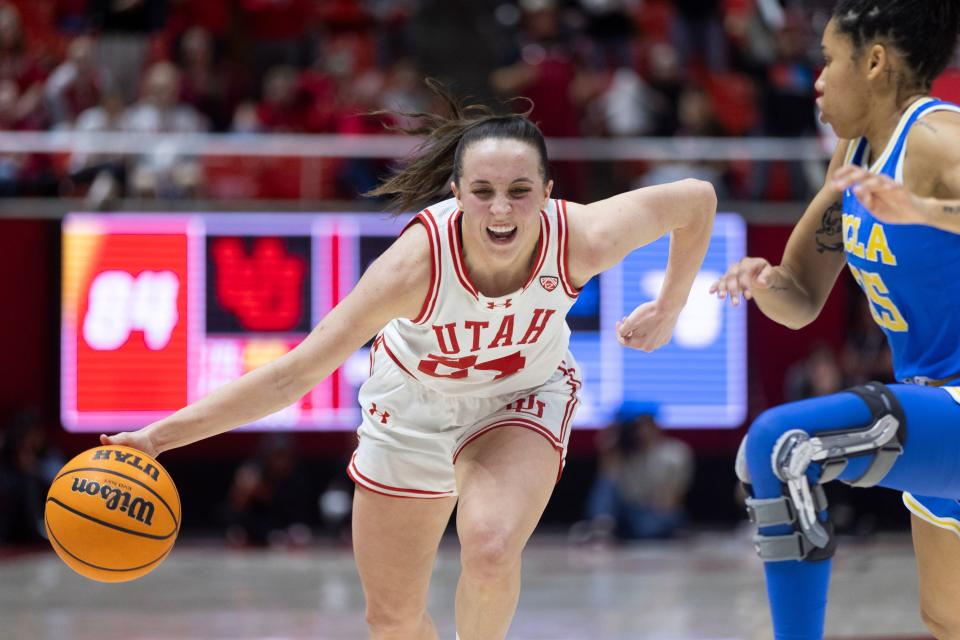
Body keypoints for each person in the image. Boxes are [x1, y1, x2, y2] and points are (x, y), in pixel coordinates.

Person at [101, 81, 717, 639]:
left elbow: (696, 198)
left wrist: (670, 304)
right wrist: (158, 437)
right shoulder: (412, 267)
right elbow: (293, 374)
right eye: (483, 192)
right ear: (456, 193)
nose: (501, 210)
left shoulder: (580, 235)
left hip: (520, 397)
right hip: (412, 412)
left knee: (490, 545)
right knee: (391, 619)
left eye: (519, 191)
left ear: (548, 193)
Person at [710, 3, 960, 638]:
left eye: (827, 59)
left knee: (784, 447)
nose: (815, 77)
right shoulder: (854, 154)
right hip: (931, 403)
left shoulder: (935, 138)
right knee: (946, 621)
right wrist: (765, 283)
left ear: (874, 62)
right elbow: (800, 296)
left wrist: (926, 211)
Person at [581, 402, 694, 541]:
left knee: (648, 526)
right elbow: (608, 482)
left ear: (654, 425)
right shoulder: (624, 453)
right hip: (629, 510)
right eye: (634, 427)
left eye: (642, 425)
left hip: (656, 511)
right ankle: (601, 529)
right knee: (607, 486)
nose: (639, 431)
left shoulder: (675, 452)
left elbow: (671, 500)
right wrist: (611, 445)